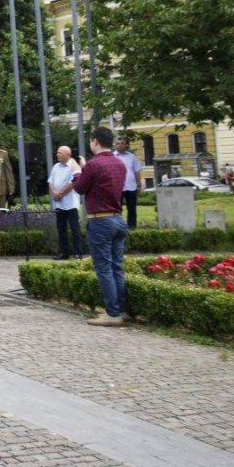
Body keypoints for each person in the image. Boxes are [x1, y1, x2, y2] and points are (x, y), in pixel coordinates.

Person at [72, 126, 129, 327]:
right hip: (118, 218)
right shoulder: (119, 163)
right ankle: (122, 310)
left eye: (90, 141)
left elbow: (80, 188)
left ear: (95, 141)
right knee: (117, 266)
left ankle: (112, 313)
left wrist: (78, 172)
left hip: (100, 220)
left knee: (103, 267)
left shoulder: (93, 165)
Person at [49, 145, 84, 260]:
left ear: (68, 155)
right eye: (57, 152)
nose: (57, 154)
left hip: (71, 203)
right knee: (61, 228)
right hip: (59, 204)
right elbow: (51, 181)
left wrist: (61, 194)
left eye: (60, 153)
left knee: (75, 228)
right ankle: (63, 252)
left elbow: (73, 183)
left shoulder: (73, 166)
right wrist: (54, 192)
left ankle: (78, 253)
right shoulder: (56, 167)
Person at [114, 136, 144, 229]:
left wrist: (139, 185)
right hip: (117, 187)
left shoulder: (132, 157)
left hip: (131, 187)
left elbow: (137, 171)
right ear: (114, 145)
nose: (120, 145)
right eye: (118, 144)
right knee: (117, 209)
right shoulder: (112, 157)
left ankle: (132, 227)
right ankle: (118, 227)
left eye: (122, 143)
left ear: (126, 145)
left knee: (132, 209)